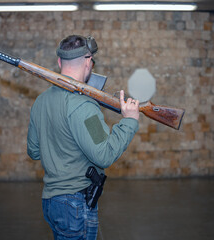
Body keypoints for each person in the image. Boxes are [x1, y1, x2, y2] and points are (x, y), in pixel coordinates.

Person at [27, 35, 139, 240]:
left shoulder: (40, 102)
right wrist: (129, 121)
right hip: (75, 204)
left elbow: (34, 151)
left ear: (60, 62)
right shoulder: (84, 106)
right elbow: (103, 155)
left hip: (51, 202)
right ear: (88, 61)